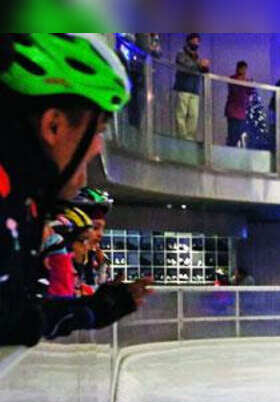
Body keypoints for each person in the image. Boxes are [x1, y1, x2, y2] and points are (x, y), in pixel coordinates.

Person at [0, 33, 152, 347]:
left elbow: (15, 318)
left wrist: (98, 307)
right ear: (53, 126)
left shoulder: (19, 203)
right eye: (96, 131)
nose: (98, 148)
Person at [71, 187, 114, 290]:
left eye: (102, 229)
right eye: (95, 228)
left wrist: (102, 267)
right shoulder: (56, 263)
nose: (100, 235)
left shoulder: (94, 258)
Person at [173, 33, 210, 141]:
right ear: (188, 41)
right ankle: (182, 137)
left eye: (197, 41)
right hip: (183, 87)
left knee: (194, 115)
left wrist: (205, 67)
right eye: (194, 41)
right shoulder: (181, 53)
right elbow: (186, 65)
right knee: (181, 113)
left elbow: (202, 70)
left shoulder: (197, 57)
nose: (196, 43)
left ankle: (189, 138)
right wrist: (199, 65)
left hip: (194, 89)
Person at [224, 61, 251, 147]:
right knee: (232, 133)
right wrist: (242, 82)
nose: (244, 71)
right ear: (238, 68)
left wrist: (248, 83)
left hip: (241, 112)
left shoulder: (246, 81)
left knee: (240, 133)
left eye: (245, 69)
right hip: (233, 111)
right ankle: (230, 150)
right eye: (242, 69)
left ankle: (235, 148)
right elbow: (234, 90)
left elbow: (250, 92)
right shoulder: (233, 79)